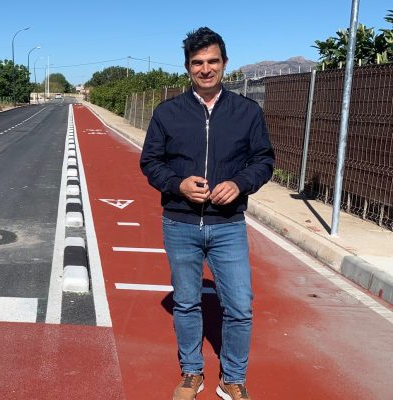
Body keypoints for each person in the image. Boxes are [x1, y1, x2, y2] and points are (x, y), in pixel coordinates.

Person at [139, 27, 274, 400]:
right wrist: (177, 184)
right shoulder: (167, 113)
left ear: (225, 63)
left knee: (240, 306)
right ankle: (191, 373)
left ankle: (232, 378)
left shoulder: (247, 112)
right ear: (187, 67)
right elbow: (150, 162)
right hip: (179, 223)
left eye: (213, 61)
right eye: (197, 62)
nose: (205, 68)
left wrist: (240, 183)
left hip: (228, 225)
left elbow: (263, 161)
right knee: (186, 302)